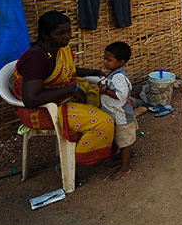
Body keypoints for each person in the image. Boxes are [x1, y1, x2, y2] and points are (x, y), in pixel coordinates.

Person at [13, 11, 114, 165]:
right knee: (102, 121)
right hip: (42, 110)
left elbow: (68, 69)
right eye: (60, 33)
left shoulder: (58, 49)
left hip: (62, 98)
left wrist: (93, 72)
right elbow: (31, 100)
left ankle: (115, 146)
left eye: (68, 31)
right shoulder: (35, 60)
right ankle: (71, 162)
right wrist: (70, 89)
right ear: (45, 35)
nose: (67, 36)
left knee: (110, 99)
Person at [99, 41, 136, 180]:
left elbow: (121, 96)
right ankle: (123, 160)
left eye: (109, 60)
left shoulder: (119, 77)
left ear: (120, 62)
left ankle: (126, 167)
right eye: (105, 58)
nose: (105, 62)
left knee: (125, 142)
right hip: (115, 114)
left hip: (121, 117)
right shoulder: (113, 73)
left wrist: (105, 90)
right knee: (120, 140)